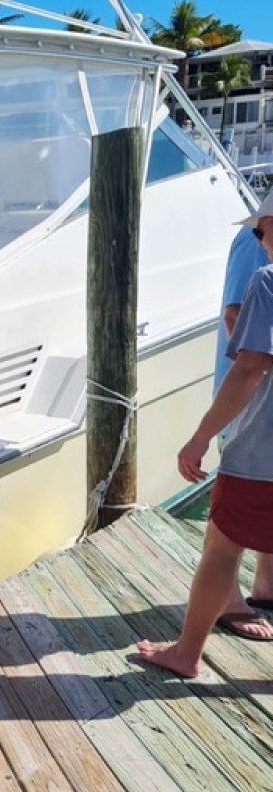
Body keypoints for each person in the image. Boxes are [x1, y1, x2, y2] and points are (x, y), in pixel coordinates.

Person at [137, 202, 273, 676]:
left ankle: (186, 653)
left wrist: (199, 439)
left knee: (220, 548)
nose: (258, 241)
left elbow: (249, 371)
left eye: (261, 231)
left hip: (259, 455)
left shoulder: (268, 281)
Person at [208, 194, 273, 641]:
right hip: (249, 401)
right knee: (225, 521)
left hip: (259, 398)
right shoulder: (256, 243)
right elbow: (236, 314)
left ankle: (265, 587)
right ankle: (227, 602)